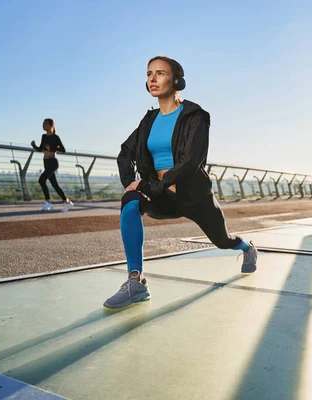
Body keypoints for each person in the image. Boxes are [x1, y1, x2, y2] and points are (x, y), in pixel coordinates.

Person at [105, 56, 258, 309]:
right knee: (130, 203)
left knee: (222, 240)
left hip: (193, 196)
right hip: (159, 196)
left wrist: (151, 185)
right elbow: (125, 152)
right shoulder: (149, 121)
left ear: (176, 80)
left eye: (160, 73)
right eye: (149, 73)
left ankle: (246, 247)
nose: (152, 79)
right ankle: (136, 282)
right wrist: (131, 183)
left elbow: (191, 161)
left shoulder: (195, 115)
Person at [30, 119, 74, 212]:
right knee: (55, 185)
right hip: (46, 162)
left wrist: (52, 148)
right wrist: (34, 145)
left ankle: (48, 202)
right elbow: (41, 148)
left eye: (45, 124)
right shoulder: (44, 136)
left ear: (51, 126)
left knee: (41, 180)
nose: (43, 125)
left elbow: (63, 149)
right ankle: (67, 202)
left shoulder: (55, 137)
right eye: (43, 124)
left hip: (53, 162)